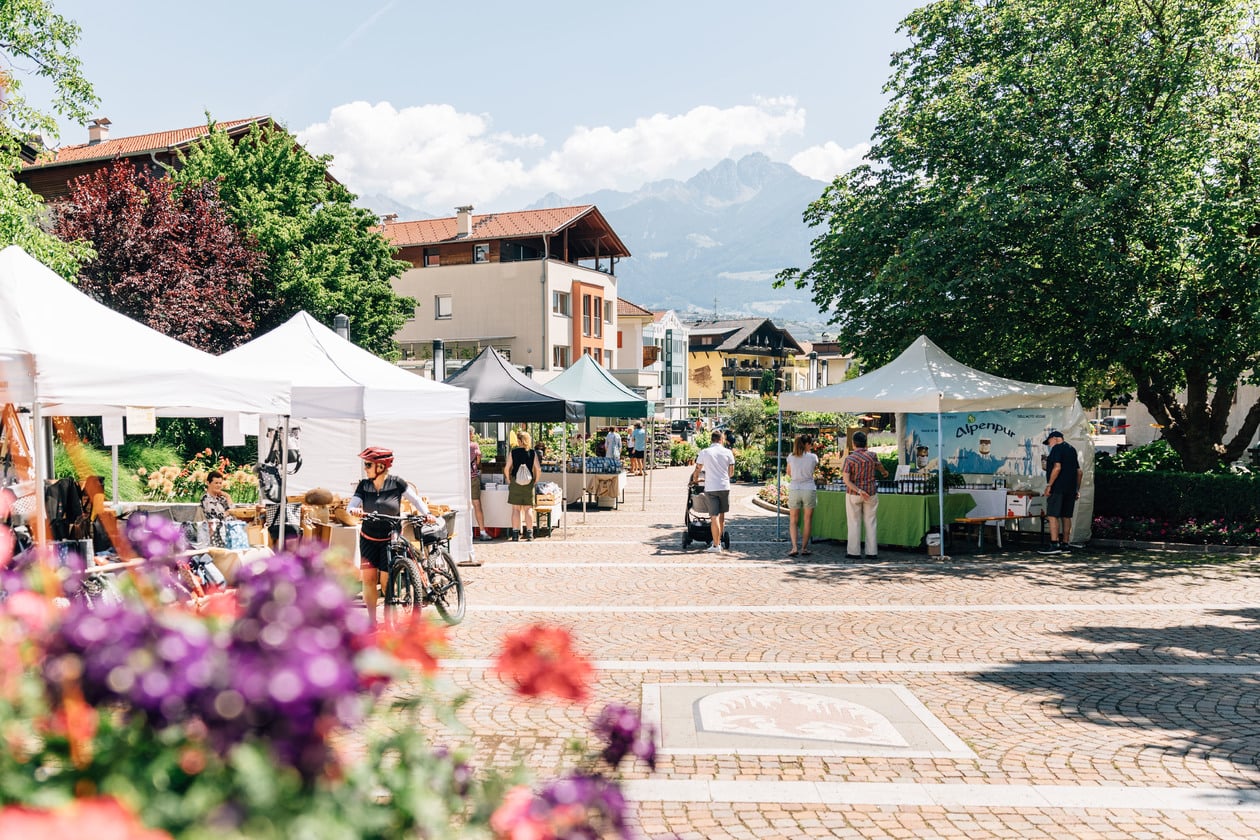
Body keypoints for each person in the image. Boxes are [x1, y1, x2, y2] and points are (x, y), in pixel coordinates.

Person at [347, 446, 430, 629]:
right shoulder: (364, 485)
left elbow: (415, 500)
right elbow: (352, 505)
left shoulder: (397, 483)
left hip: (390, 538)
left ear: (381, 467)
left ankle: (390, 617)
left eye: (368, 464)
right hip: (368, 538)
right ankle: (371, 620)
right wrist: (354, 510)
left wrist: (427, 514)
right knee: (368, 580)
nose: (365, 468)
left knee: (386, 582)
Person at [842, 431, 888, 560]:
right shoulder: (872, 456)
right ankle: (872, 552)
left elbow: (846, 480)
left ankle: (853, 552)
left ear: (853, 444)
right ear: (866, 443)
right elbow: (880, 467)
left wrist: (858, 490)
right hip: (871, 492)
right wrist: (884, 473)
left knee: (854, 522)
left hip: (854, 493)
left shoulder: (849, 459)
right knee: (871, 522)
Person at [691, 430, 736, 552]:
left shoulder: (705, 452)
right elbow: (731, 472)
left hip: (711, 487)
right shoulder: (728, 452)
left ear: (711, 439)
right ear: (721, 439)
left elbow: (698, 468)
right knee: (721, 516)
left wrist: (695, 479)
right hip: (724, 486)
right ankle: (719, 541)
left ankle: (716, 545)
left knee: (714, 516)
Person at [1040, 430, 1082, 554]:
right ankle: (1065, 544)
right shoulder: (1072, 449)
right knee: (1066, 516)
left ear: (1055, 438)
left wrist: (1049, 485)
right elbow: (1079, 472)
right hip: (1070, 489)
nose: (1049, 445)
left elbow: (1057, 467)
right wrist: (1076, 489)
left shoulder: (1057, 449)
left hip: (1057, 488)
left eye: (1049, 442)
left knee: (1053, 515)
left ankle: (1054, 544)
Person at [785, 434, 819, 557]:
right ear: (807, 444)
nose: (811, 446)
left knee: (793, 520)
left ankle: (794, 547)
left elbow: (788, 473)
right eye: (810, 444)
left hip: (795, 488)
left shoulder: (791, 457)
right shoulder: (813, 457)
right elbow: (813, 470)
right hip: (809, 488)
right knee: (807, 520)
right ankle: (804, 547)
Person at [504, 430, 541, 541]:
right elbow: (538, 469)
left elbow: (507, 468)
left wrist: (509, 479)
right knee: (528, 508)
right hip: (529, 482)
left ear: (519, 440)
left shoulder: (513, 452)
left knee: (515, 509)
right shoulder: (532, 452)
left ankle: (515, 534)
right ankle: (529, 533)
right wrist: (535, 481)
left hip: (516, 482)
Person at [200, 469, 233, 548]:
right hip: (216, 534)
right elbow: (216, 517)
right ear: (208, 483)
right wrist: (229, 512)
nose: (219, 485)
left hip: (228, 531)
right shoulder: (206, 499)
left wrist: (228, 496)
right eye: (216, 483)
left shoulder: (221, 498)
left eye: (220, 483)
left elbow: (232, 510)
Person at [469, 426, 491, 544]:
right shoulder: (474, 445)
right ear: (471, 434)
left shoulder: (458, 445)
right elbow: (478, 460)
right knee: (477, 504)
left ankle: (464, 532)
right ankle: (482, 532)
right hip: (472, 478)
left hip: (460, 479)